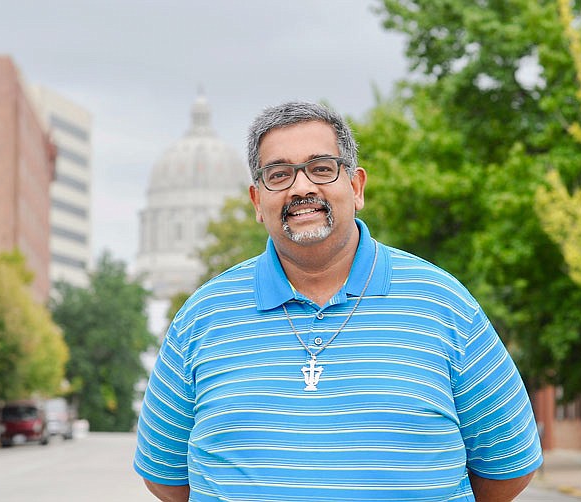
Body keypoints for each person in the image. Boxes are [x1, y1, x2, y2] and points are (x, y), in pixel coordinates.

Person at [134, 101, 543, 501]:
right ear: (258, 202)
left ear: (356, 186)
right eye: (278, 174)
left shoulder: (445, 304)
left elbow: (508, 466)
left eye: (321, 168)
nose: (302, 187)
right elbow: (166, 478)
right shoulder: (202, 317)